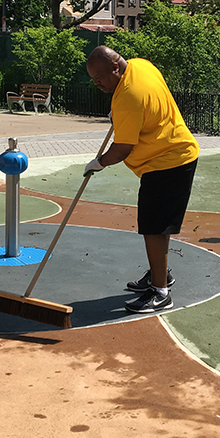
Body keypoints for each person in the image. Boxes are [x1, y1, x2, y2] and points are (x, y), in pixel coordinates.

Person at [84, 46, 199, 313]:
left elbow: (122, 148)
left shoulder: (126, 96)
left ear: (115, 67)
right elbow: (146, 106)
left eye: (100, 76)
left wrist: (99, 163)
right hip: (175, 153)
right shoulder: (141, 65)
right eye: (93, 78)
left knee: (154, 228)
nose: (97, 82)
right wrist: (122, 117)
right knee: (158, 225)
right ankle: (161, 274)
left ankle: (160, 292)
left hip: (166, 162)